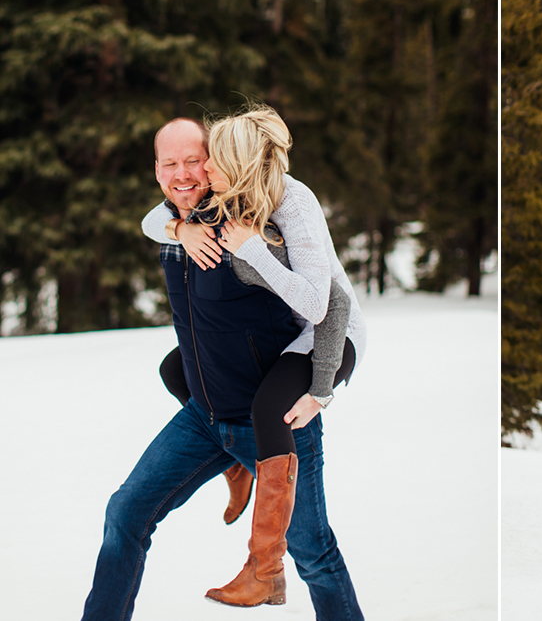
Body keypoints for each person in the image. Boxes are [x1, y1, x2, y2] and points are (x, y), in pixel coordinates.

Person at [80, 117, 364, 620]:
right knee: (125, 514)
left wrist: (321, 388)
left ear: (221, 166)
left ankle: (264, 561)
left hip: (275, 419)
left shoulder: (251, 224)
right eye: (171, 164)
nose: (186, 173)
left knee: (313, 554)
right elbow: (152, 219)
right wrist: (178, 227)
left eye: (196, 161)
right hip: (205, 417)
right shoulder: (176, 221)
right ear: (156, 170)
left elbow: (329, 304)